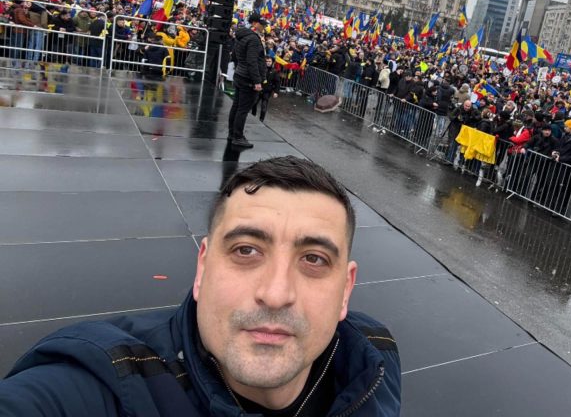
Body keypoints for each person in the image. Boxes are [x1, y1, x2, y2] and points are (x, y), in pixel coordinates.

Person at [0, 156, 402, 416]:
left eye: (314, 259)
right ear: (203, 266)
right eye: (246, 250)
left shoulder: (374, 362)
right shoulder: (106, 383)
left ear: (346, 289)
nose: (276, 293)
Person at [228, 14, 267, 149]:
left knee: (236, 106)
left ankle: (232, 133)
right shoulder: (253, 39)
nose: (264, 27)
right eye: (262, 24)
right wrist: (257, 81)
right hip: (248, 79)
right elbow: (252, 61)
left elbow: (235, 55)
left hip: (240, 75)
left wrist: (239, 68)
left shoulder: (241, 35)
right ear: (255, 23)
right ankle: (238, 137)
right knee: (242, 109)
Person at [251, 56, 280, 122]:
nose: (268, 63)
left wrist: (276, 92)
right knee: (254, 103)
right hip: (259, 89)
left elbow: (277, 82)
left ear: (272, 62)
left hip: (267, 91)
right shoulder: (260, 69)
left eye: (269, 61)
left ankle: (261, 120)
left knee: (264, 106)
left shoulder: (274, 71)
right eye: (266, 61)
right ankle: (253, 115)